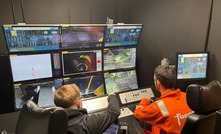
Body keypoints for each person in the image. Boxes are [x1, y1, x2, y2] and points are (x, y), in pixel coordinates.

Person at [134, 65, 193, 134]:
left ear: (158, 83)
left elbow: (137, 114)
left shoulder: (159, 106)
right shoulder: (187, 96)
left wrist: (145, 100)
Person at [54, 84, 120, 134]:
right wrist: (112, 96)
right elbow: (114, 111)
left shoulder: (49, 121)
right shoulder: (86, 124)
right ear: (78, 103)